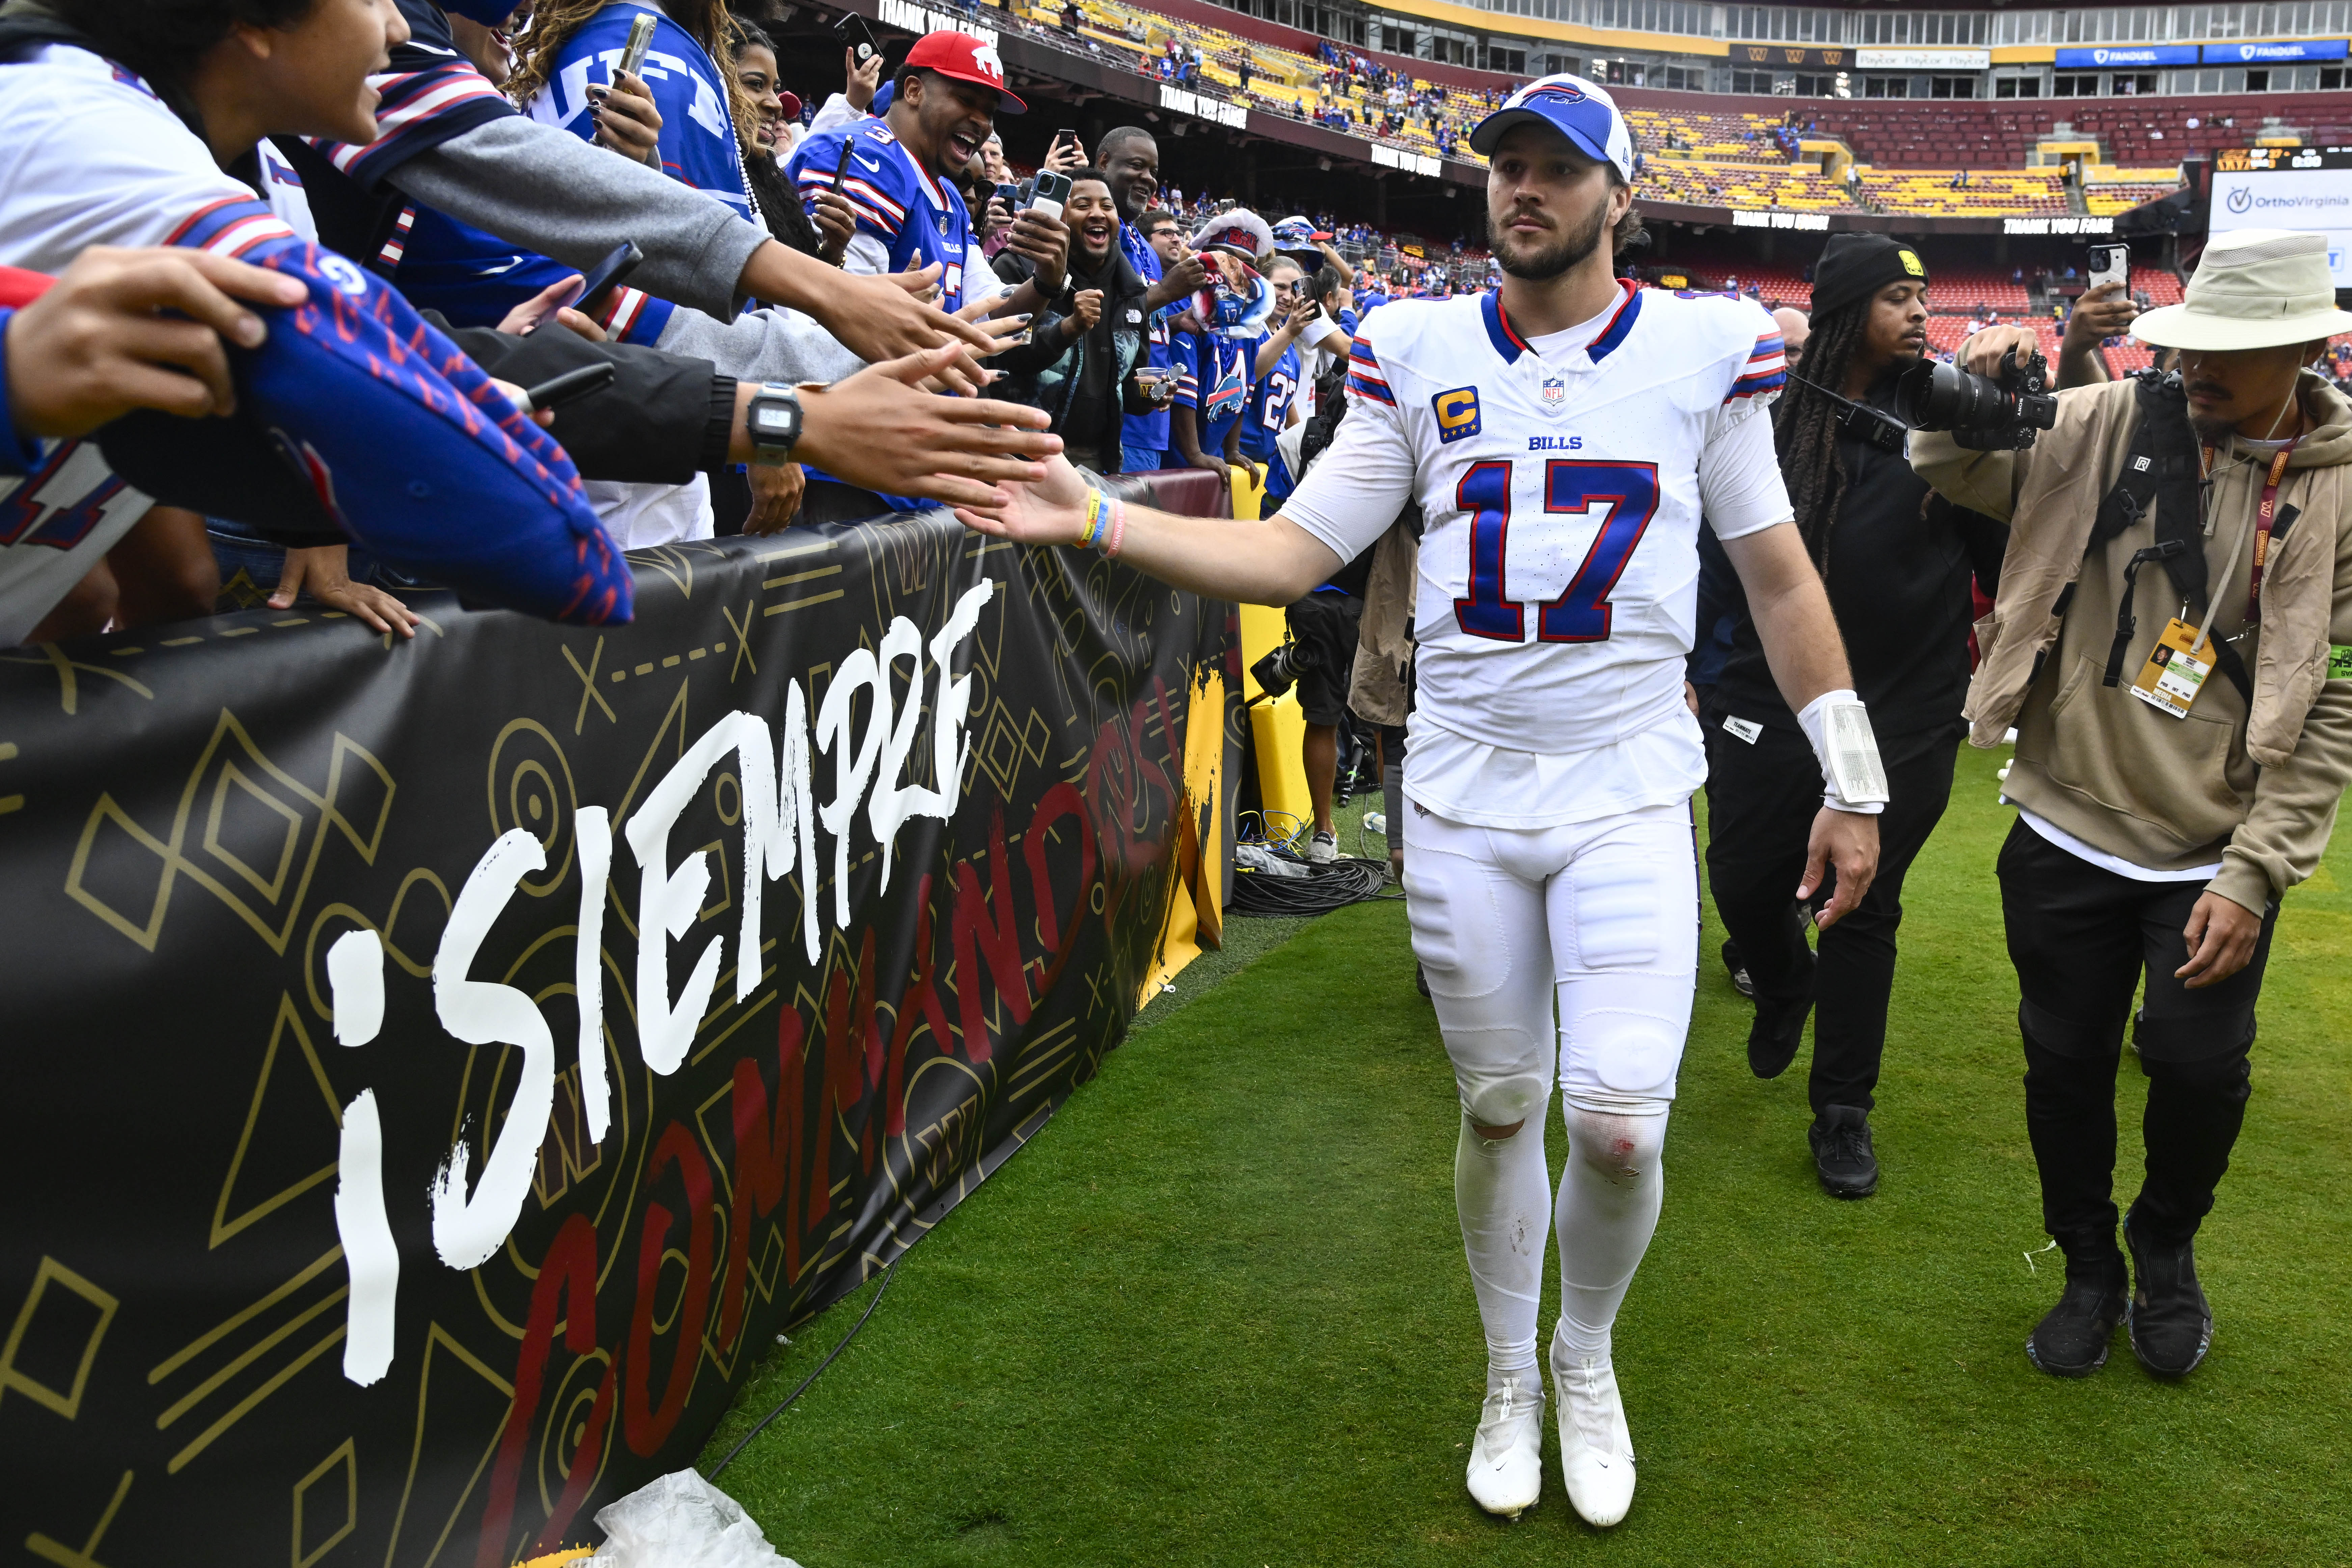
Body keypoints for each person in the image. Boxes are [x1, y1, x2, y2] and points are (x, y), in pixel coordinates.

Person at [945, 75, 1881, 1529]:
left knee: (1623, 1123)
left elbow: (1775, 574)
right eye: (1506, 163)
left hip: (1628, 787)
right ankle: (1508, 1366)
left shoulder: (1705, 349)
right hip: (1458, 793)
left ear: (1618, 195)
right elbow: (1294, 550)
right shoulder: (1416, 343)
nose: (1524, 187)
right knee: (1506, 1103)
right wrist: (1097, 514)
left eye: (1558, 168)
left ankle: (1584, 1353)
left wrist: (1855, 775)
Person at [1913, 229, 2352, 1382]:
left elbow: (2332, 707)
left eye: (2229, 351)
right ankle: (2083, 1265)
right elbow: (1954, 466)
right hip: (2062, 819)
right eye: (2187, 343)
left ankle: (2162, 1243)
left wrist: (2252, 872)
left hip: (2210, 851)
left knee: (2196, 1068)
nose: (2194, 367)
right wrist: (1984, 399)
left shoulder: (2342, 488)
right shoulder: (2114, 418)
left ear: (2304, 349)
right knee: (2059, 1064)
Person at [1700, 236, 2007, 1197]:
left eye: (1923, 297)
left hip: (1904, 713)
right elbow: (1720, 559)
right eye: (1894, 297)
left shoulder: (1953, 427)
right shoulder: (1764, 421)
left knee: (1865, 907)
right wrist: (1698, 668)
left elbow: (2000, 569)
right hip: (1766, 699)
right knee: (1745, 882)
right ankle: (1782, 978)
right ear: (1843, 313)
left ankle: (1843, 1109)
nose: (1920, 313)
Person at [784, 31, 1066, 520]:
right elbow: (832, 332)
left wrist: (1045, 280)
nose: (981, 121)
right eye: (966, 99)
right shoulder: (863, 153)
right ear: (913, 91)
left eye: (989, 110)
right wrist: (937, 346)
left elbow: (995, 315)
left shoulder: (948, 194)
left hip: (910, 456)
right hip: (842, 460)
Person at [989, 170, 1164, 472]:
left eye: (1107, 207)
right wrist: (1068, 329)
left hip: (1096, 464)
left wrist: (1155, 392)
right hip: (1018, 457)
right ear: (1062, 216)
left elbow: (1133, 395)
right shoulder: (1018, 268)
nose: (1098, 214)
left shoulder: (1132, 290)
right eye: (1084, 205)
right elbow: (1001, 356)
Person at [1094, 127, 1208, 475]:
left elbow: (1135, 318)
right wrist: (1166, 292)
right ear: (1104, 163)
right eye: (1137, 166)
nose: (1148, 179)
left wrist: (1175, 322)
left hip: (1150, 419)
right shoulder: (1097, 232)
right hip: (1113, 421)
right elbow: (1095, 317)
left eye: (1154, 172)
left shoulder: (1144, 248)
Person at [1169, 209, 1273, 487]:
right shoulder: (1184, 306)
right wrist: (1194, 453)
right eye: (1228, 258)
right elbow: (1183, 387)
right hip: (1176, 461)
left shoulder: (1248, 323)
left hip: (1211, 458)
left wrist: (1232, 451)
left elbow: (1243, 390)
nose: (1237, 269)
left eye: (1247, 264)